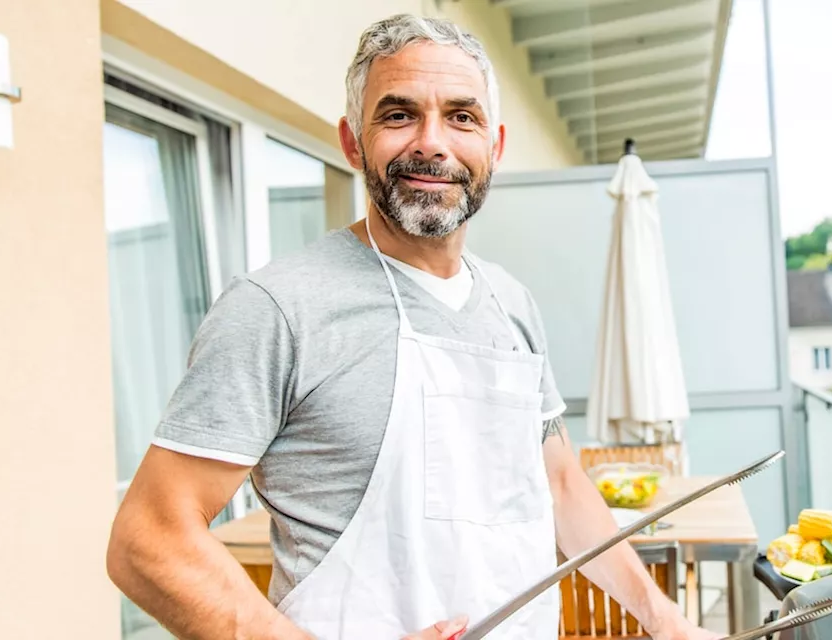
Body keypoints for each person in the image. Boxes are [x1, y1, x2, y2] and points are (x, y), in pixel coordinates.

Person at [105, 13, 723, 640]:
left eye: (462, 116)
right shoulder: (278, 306)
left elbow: (560, 484)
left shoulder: (510, 302)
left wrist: (665, 620)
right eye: (399, 115)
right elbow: (148, 540)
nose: (432, 142)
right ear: (352, 142)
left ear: (495, 146)